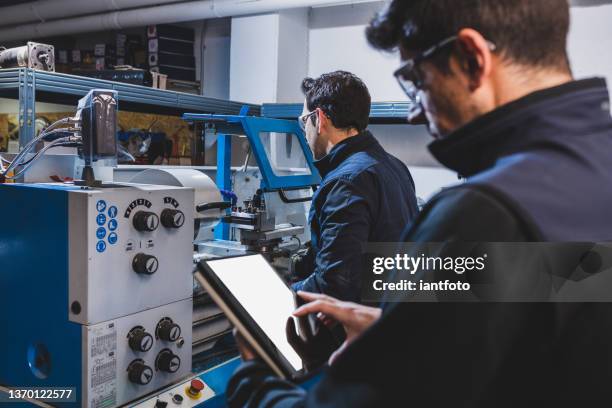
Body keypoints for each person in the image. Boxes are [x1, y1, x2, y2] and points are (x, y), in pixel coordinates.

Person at [226, 0, 612, 406]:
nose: (413, 112)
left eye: (416, 81)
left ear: (471, 58)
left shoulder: (484, 213)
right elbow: (562, 296)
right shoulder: (592, 169)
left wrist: (252, 377)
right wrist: (398, 327)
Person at [290, 71, 419, 302]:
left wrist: (284, 293)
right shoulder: (395, 166)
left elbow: (334, 284)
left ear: (319, 119)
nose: (305, 131)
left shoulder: (346, 182)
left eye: (304, 121)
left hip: (356, 326)